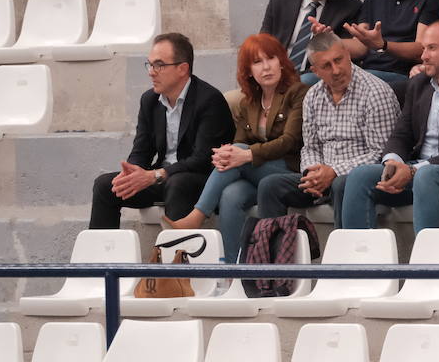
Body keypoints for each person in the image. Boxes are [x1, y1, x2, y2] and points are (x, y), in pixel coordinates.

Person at [342, 20, 439, 232]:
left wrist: (414, 170)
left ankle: (427, 262)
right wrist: (392, 163)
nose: (423, 56)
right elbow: (401, 133)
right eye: (423, 49)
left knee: (427, 176)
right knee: (360, 176)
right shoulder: (418, 84)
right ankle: (359, 261)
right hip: (416, 168)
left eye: (432, 48)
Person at [173, 34, 307, 262]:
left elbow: (290, 141)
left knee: (241, 151)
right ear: (249, 71)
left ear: (282, 61)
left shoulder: (297, 92)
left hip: (289, 171)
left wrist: (245, 153)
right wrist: (226, 155)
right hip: (257, 171)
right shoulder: (249, 102)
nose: (266, 67)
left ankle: (198, 214)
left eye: (271, 58)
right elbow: (238, 142)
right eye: (257, 62)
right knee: (230, 194)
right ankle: (233, 265)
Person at [88, 33, 235, 229]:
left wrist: (156, 175)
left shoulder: (209, 100)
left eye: (159, 65)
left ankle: (175, 255)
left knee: (178, 183)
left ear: (183, 69)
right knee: (105, 186)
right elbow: (141, 150)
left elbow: (201, 159)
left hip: (200, 181)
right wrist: (133, 173)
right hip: (162, 178)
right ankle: (103, 259)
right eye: (149, 65)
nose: (151, 72)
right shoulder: (149, 100)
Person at [256, 31, 399, 224]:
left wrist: (334, 171)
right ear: (316, 71)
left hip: (358, 178)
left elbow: (381, 153)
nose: (336, 70)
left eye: (339, 60)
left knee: (342, 184)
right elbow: (311, 147)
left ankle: (342, 253)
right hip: (323, 178)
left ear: (348, 55)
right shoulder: (313, 96)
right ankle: (274, 252)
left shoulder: (375, 92)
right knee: (270, 186)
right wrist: (311, 173)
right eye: (326, 66)